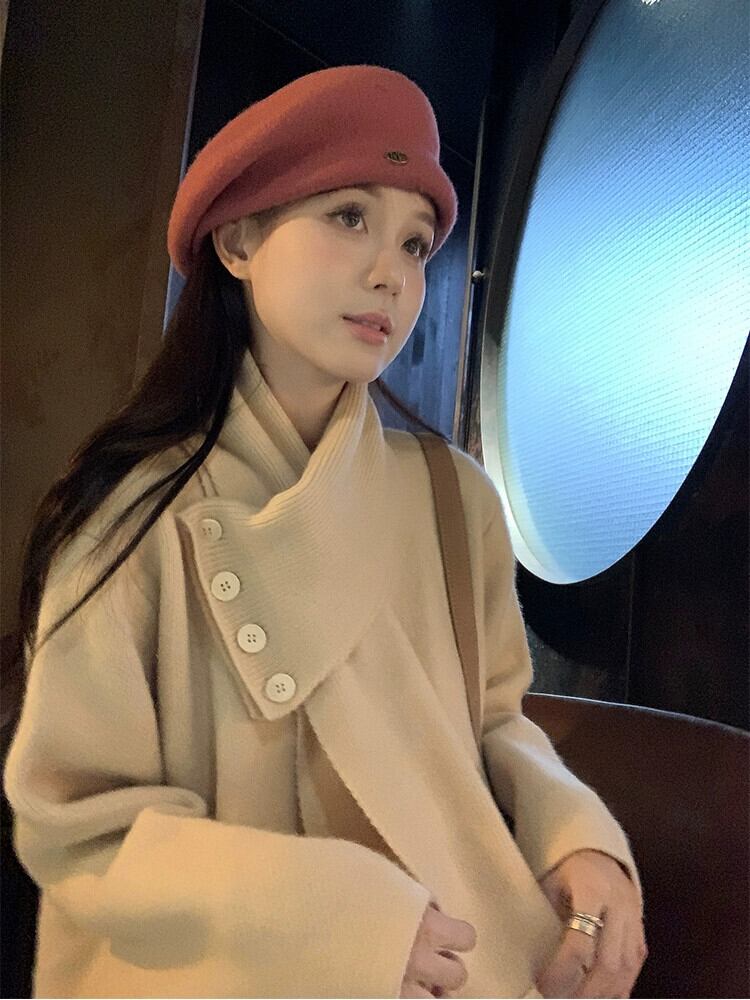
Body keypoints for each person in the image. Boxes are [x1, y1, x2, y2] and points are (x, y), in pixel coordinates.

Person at [3, 64, 646, 999]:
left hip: (471, 950)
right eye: (349, 216)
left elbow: (493, 722)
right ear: (237, 239)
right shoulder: (135, 515)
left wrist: (575, 838)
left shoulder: (452, 499)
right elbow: (80, 827)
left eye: (416, 243)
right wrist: (337, 920)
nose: (392, 272)